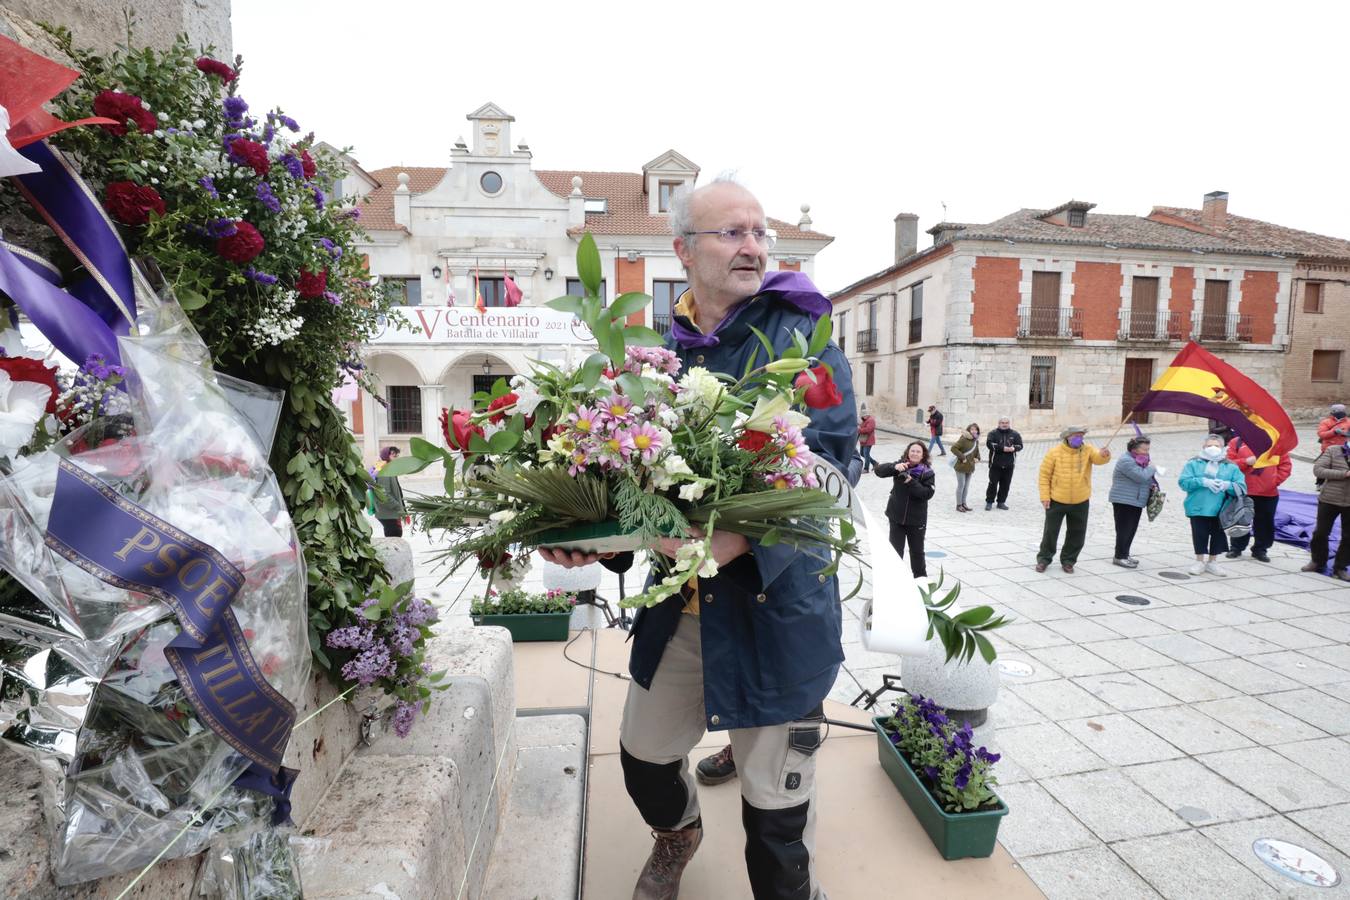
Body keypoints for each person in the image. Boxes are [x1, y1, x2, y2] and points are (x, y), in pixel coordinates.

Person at [541, 177, 854, 900]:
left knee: (775, 817)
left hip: (775, 611)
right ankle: (678, 833)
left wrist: (739, 542)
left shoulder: (799, 335)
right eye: (732, 233)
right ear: (683, 250)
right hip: (678, 609)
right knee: (643, 756)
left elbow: (833, 469)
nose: (753, 247)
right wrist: (596, 540)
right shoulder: (654, 353)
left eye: (759, 232)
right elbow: (629, 480)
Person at [1036, 426, 1111, 573]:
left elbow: (1098, 459)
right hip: (1057, 499)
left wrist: (1104, 455)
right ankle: (1044, 559)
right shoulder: (1054, 452)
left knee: (1077, 532)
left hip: (1080, 499)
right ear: (1068, 437)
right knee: (1050, 532)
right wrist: (1045, 496)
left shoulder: (1088, 449)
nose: (1079, 439)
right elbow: (1044, 476)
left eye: (1081, 436)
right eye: (1076, 436)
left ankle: (1069, 560)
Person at [1178, 434, 1246, 576]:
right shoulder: (1194, 463)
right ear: (1204, 447)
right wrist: (1202, 481)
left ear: (1223, 448)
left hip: (1222, 509)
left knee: (1217, 535)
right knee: (1199, 533)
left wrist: (1227, 485)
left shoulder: (1231, 466)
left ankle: (1213, 561)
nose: (1213, 448)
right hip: (1198, 506)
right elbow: (1183, 483)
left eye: (1217, 445)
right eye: (1209, 446)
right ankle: (1199, 561)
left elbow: (1242, 487)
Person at [875, 441, 937, 578]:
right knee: (895, 553)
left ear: (923, 455)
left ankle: (921, 581)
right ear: (908, 453)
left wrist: (910, 481)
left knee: (917, 553)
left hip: (916, 520)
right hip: (896, 517)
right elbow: (878, 471)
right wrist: (894, 467)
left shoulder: (927, 473)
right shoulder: (901, 465)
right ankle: (895, 580)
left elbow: (927, 494)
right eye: (912, 451)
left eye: (918, 451)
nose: (914, 453)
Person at [1225, 435, 1291, 563]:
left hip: (1268, 493)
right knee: (1240, 520)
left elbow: (1285, 466)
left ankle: (1260, 549)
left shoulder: (1276, 444)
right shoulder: (1237, 442)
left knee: (1265, 523)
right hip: (1243, 490)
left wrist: (1273, 482)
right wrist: (1245, 462)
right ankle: (1236, 547)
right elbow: (1228, 464)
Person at [1108, 436, 1159, 568]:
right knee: (1124, 529)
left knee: (1131, 529)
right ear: (1134, 449)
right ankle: (1119, 556)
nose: (1147, 452)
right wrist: (1152, 468)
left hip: (1135, 500)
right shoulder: (1126, 460)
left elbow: (1144, 478)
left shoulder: (1139, 460)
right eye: (1144, 449)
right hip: (1124, 500)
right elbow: (1140, 476)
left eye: (1148, 449)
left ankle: (1125, 554)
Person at [1305, 441, 1350, 580]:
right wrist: (1345, 474)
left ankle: (1340, 567)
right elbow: (1318, 470)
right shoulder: (1333, 450)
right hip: (1329, 499)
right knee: (1320, 532)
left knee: (1348, 536)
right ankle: (1318, 561)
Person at [984, 416, 1023, 510]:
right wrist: (1003, 448)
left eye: (1006, 423)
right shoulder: (992, 433)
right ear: (999, 424)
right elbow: (990, 444)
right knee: (993, 483)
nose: (1004, 424)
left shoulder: (1015, 434)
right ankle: (989, 502)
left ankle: (1001, 502)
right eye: (1002, 423)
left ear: (1009, 424)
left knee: (1005, 484)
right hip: (995, 464)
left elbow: (1020, 445)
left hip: (1009, 465)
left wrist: (1014, 448)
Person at [368, 446, 407, 537]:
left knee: (395, 536)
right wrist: (397, 506)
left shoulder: (388, 469)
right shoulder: (383, 471)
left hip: (390, 513)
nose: (396, 458)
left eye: (397, 456)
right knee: (394, 537)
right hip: (388, 513)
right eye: (394, 456)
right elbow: (384, 494)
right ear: (386, 456)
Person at [950, 422, 981, 512]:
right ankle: (958, 505)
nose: (974, 431)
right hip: (961, 466)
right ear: (969, 430)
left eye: (976, 429)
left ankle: (964, 503)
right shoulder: (963, 439)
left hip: (970, 466)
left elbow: (977, 452)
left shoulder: (976, 441)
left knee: (966, 487)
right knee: (961, 485)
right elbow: (953, 448)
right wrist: (963, 457)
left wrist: (978, 458)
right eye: (972, 429)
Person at [858, 403, 877, 472]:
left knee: (866, 454)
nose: (863, 417)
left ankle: (866, 469)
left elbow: (868, 430)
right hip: (863, 440)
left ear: (866, 415)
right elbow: (862, 426)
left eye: (863, 416)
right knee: (862, 453)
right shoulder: (865, 420)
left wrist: (859, 429)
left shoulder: (871, 420)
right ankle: (875, 463)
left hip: (869, 440)